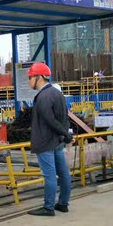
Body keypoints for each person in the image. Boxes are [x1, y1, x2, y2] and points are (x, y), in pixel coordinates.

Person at [26, 62, 73, 217]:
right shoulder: (57, 93)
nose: (28, 81)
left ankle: (48, 207)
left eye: (30, 78)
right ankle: (63, 203)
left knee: (50, 175)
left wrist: (65, 134)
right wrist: (65, 134)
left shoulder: (43, 97)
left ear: (39, 78)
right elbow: (64, 117)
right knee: (63, 173)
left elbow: (50, 120)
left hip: (46, 141)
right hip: (57, 141)